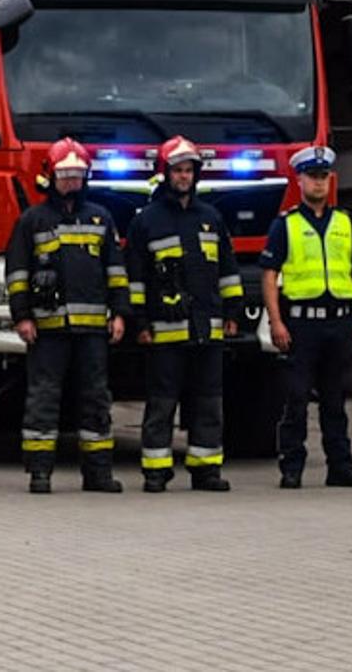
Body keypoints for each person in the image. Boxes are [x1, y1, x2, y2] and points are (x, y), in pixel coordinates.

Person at [4, 137, 129, 494]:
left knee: (95, 398)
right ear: (50, 176)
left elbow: (115, 273)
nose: (71, 181)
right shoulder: (32, 220)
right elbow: (18, 274)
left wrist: (119, 314)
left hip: (92, 332)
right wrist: (22, 317)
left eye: (77, 174)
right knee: (44, 398)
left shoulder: (101, 218)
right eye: (65, 174)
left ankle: (98, 473)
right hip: (47, 329)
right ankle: (40, 472)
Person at [126, 135, 242, 493]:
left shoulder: (211, 218)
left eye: (189, 170)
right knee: (162, 402)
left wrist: (233, 312)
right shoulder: (147, 220)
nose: (184, 176)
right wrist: (140, 323)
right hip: (164, 330)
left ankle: (206, 470)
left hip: (207, 328)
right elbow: (136, 278)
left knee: (208, 401)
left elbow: (227, 270)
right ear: (166, 173)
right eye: (177, 170)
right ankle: (156, 471)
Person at [259, 146, 352, 489]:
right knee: (296, 399)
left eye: (324, 177)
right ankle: (292, 467)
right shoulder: (286, 225)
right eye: (313, 177)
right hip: (301, 324)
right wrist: (276, 321)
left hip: (339, 322)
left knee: (335, 400)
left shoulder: (345, 222)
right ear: (300, 180)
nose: (319, 184)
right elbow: (269, 275)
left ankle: (341, 467)